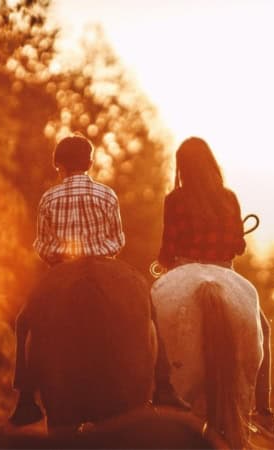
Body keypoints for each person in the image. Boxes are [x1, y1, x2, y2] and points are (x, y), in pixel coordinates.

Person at [10, 135, 188, 427]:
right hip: (107, 264)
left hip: (60, 268)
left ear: (58, 165)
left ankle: (26, 397)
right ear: (90, 163)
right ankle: (164, 385)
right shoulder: (107, 195)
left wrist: (57, 259)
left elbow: (42, 245)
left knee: (23, 321)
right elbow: (117, 239)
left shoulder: (48, 198)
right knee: (149, 309)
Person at [157, 137, 274, 445]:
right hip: (224, 268)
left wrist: (167, 262)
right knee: (264, 331)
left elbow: (167, 249)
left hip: (182, 265)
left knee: (148, 325)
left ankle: (152, 394)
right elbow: (237, 246)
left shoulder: (174, 200)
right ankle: (263, 412)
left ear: (182, 168)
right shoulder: (227, 198)